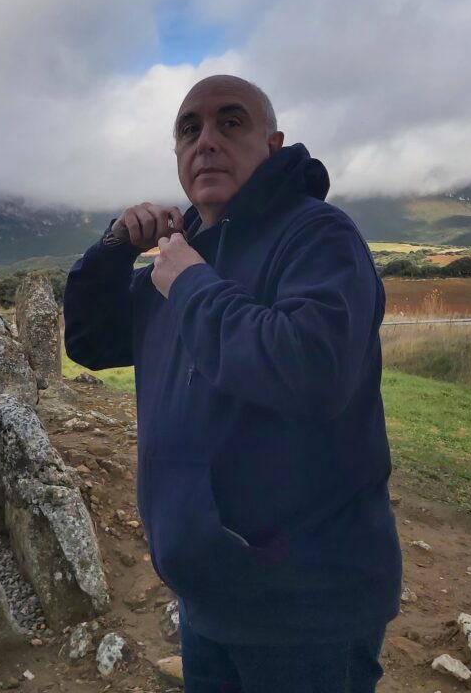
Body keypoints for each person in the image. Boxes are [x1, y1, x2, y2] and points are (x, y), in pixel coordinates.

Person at [63, 75, 402, 692]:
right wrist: (114, 248)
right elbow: (91, 341)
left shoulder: (318, 235)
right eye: (189, 129)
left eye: (231, 122)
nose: (207, 141)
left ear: (272, 145)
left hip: (308, 610)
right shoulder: (186, 251)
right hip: (209, 594)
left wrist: (191, 284)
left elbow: (311, 369)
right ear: (177, 153)